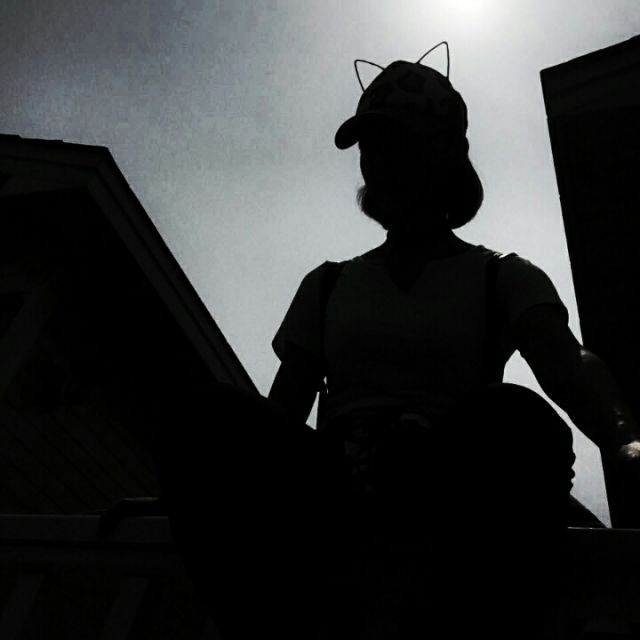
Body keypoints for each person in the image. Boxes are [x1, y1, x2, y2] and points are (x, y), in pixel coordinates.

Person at [148, 47, 640, 640]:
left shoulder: (502, 276)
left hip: (451, 494)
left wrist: (625, 439)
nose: (379, 161)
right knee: (203, 417)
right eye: (371, 146)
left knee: (517, 420)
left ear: (444, 156)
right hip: (332, 489)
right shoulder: (329, 284)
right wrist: (201, 484)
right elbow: (280, 415)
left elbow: (567, 363)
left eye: (398, 143)